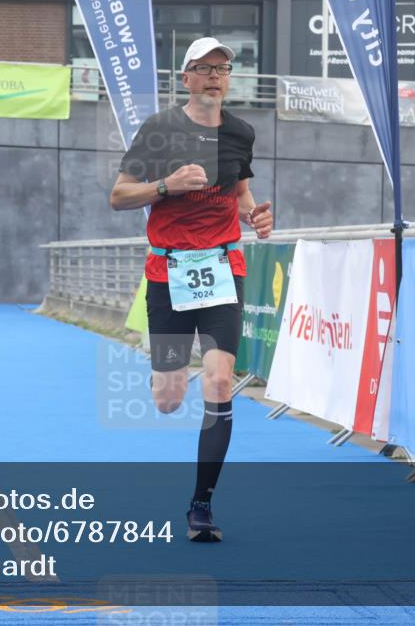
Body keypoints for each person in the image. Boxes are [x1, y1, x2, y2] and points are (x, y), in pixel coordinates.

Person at [109, 37, 273, 543]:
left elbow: (241, 192)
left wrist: (256, 214)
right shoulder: (159, 130)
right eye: (204, 69)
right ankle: (166, 373)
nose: (215, 76)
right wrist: (165, 187)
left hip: (223, 267)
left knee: (220, 383)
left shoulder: (240, 133)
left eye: (223, 68)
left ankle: (201, 505)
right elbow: (118, 196)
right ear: (186, 77)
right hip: (168, 273)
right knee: (167, 398)